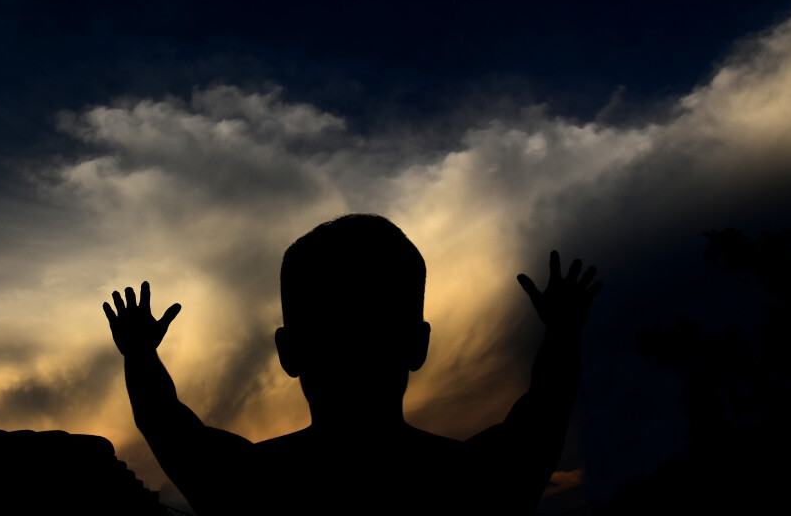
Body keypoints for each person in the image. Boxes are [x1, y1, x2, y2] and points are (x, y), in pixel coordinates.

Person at [104, 214, 601, 514]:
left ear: (289, 352)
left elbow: (165, 424)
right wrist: (562, 332)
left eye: (367, 327)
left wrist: (140, 355)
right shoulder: (470, 485)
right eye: (338, 329)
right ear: (418, 346)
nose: (353, 348)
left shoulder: (254, 487)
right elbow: (544, 416)